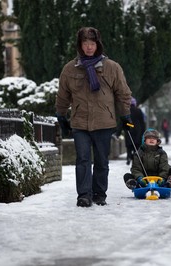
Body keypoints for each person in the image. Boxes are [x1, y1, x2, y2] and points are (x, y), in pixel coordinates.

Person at [55, 27, 132, 207]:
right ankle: (84, 195)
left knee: (101, 161)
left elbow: (123, 93)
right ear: (80, 45)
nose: (89, 47)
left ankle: (99, 194)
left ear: (98, 45)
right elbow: (63, 95)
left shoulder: (112, 67)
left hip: (104, 121)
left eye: (92, 43)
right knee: (82, 159)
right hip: (80, 122)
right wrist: (61, 115)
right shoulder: (70, 69)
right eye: (85, 43)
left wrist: (125, 115)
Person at [116, 97, 146, 165]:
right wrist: (143, 132)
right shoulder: (138, 110)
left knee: (129, 146)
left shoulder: (126, 111)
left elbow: (122, 122)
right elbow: (142, 122)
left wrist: (118, 132)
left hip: (129, 130)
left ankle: (129, 157)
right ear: (135, 104)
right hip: (137, 130)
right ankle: (137, 158)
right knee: (137, 146)